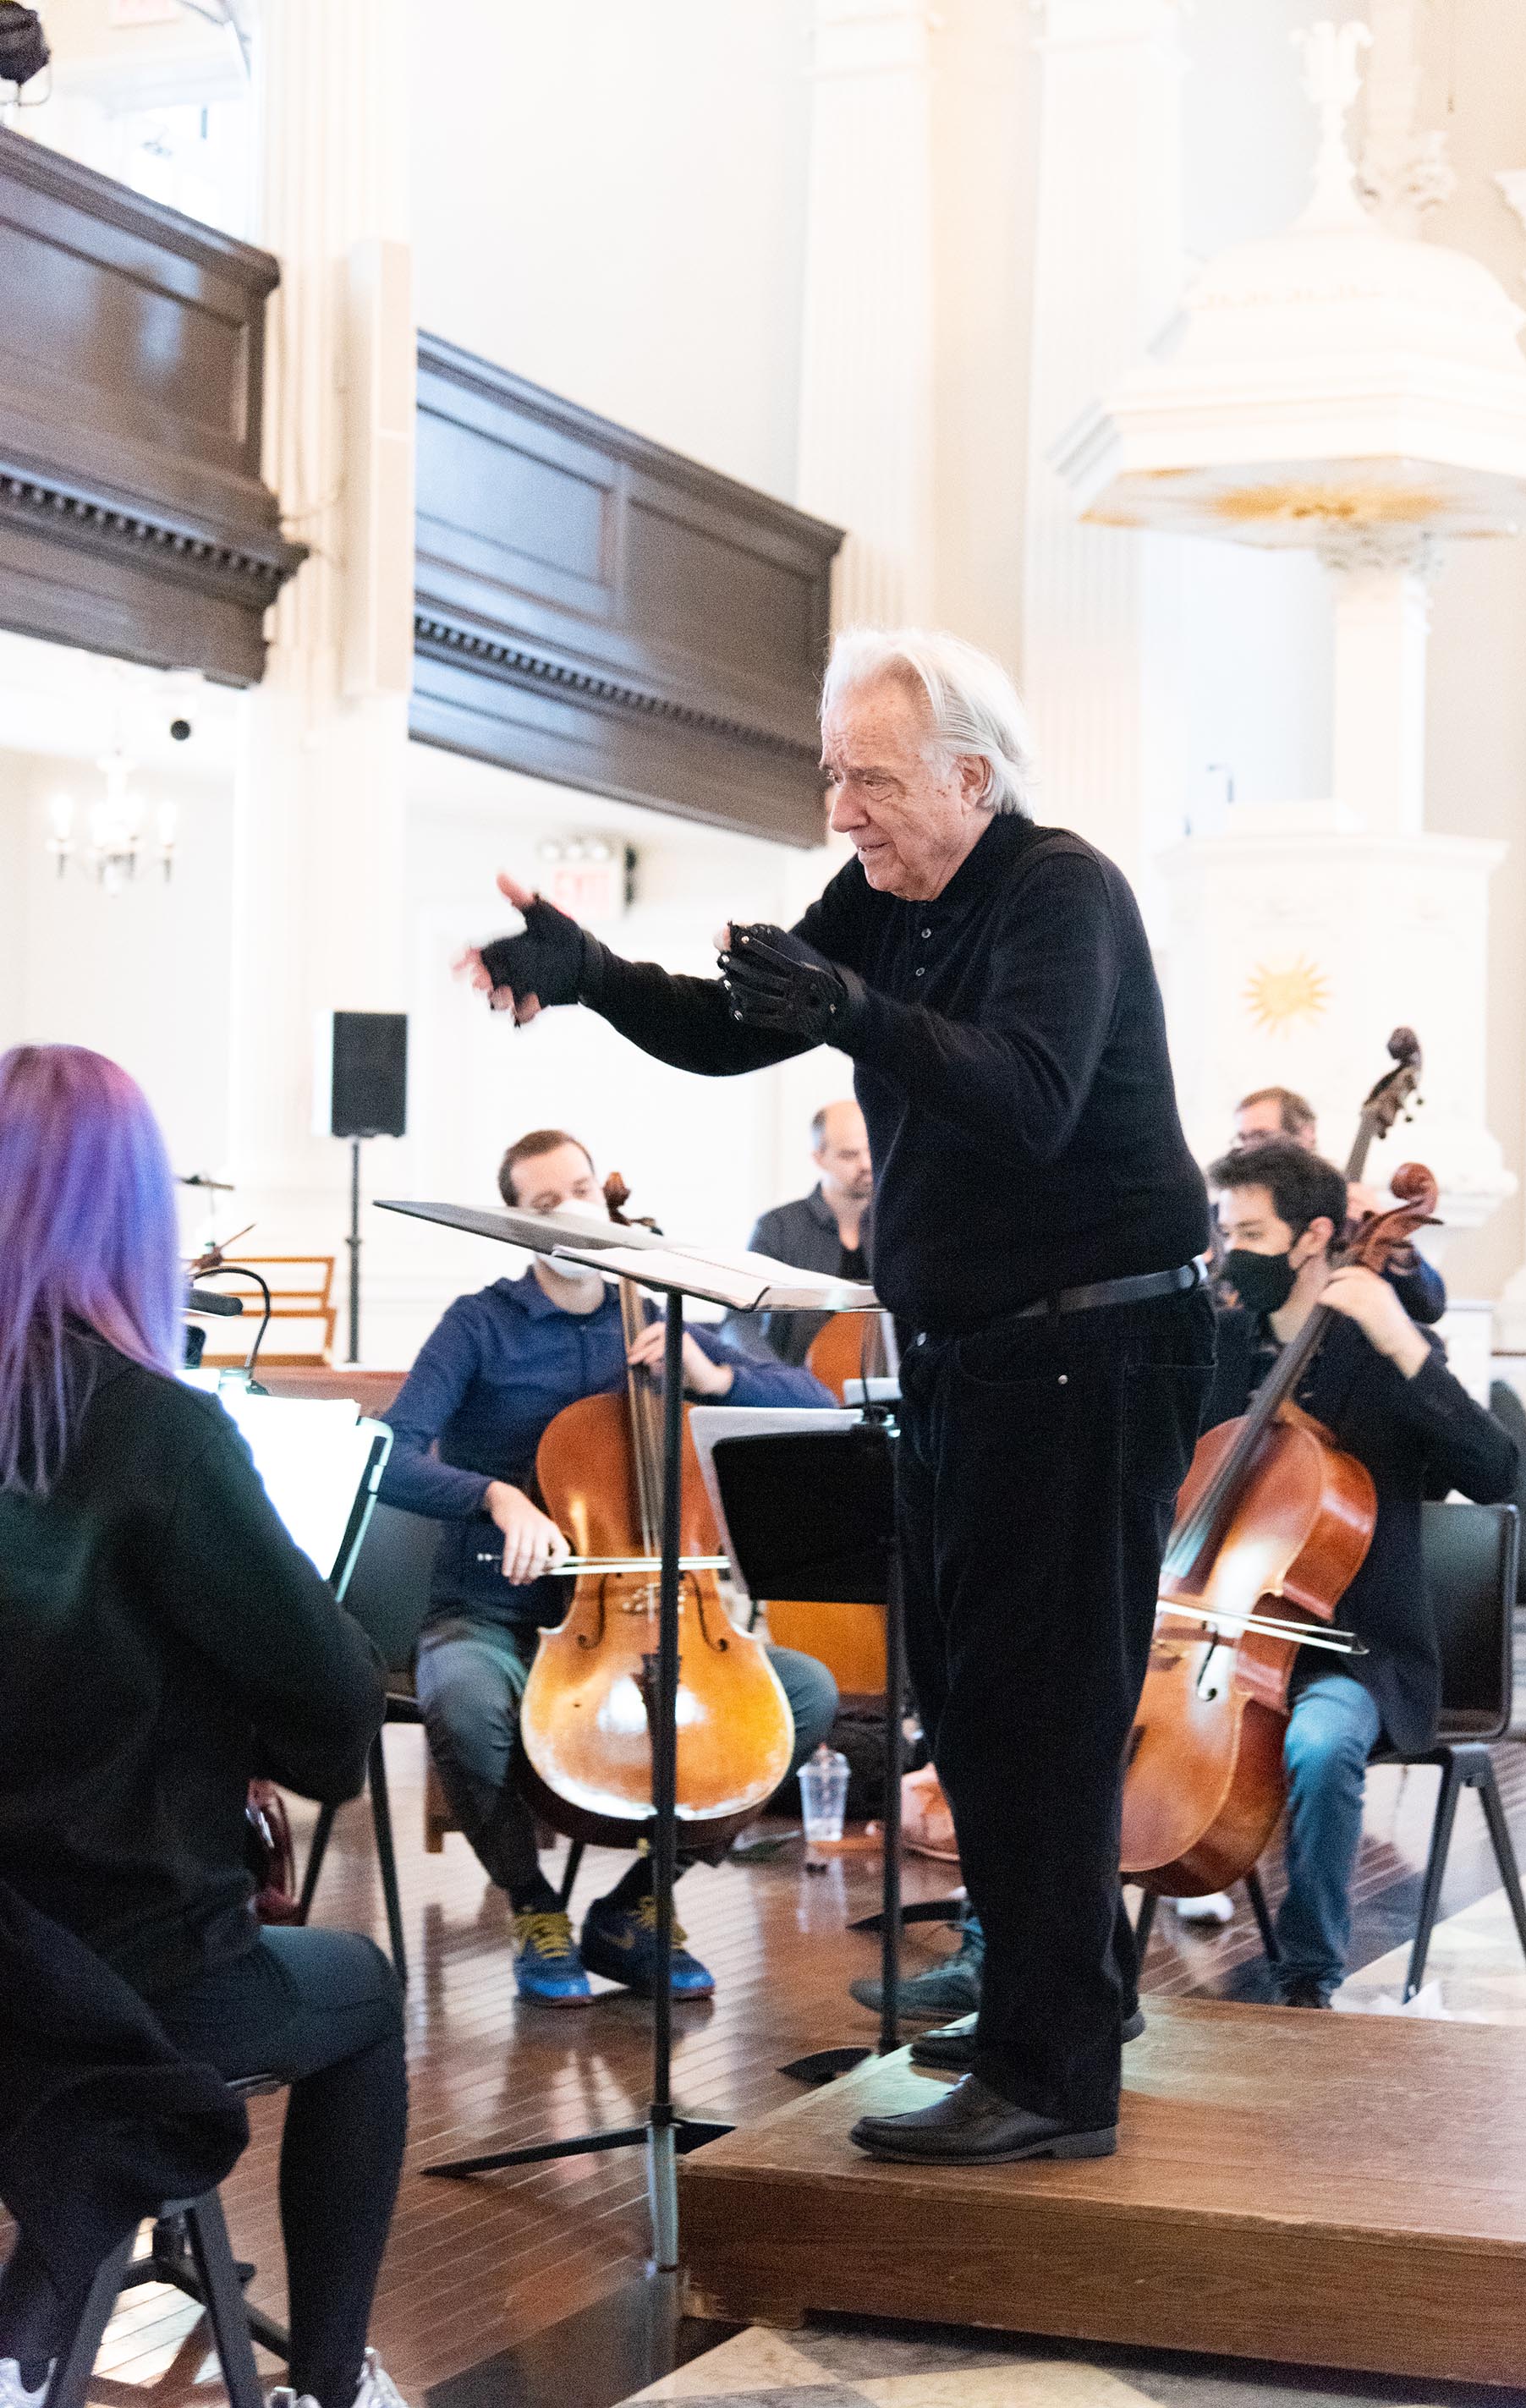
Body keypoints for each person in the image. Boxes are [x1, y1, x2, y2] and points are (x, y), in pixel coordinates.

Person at [458, 625, 1216, 2168]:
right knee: (970, 1689)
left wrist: (848, 1009)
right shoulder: (882, 895)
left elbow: (1027, 1090)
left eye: (867, 778)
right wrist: (591, 976)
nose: (842, 811)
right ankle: (1070, 2002)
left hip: (1091, 1349)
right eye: (830, 778)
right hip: (972, 1353)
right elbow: (745, 1025)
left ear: (969, 777)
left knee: (1039, 1705)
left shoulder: (1060, 888)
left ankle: (1052, 2075)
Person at [0, 1046, 408, 2408]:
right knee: (364, 1991)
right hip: (115, 1963)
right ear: (133, 1220)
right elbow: (331, 1710)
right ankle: (330, 2386)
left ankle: (38, 2311)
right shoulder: (162, 1433)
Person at [379, 1126, 840, 2008]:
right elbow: (391, 1453)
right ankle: (532, 1906)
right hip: (497, 1606)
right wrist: (496, 1497)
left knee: (804, 1695)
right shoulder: (481, 1324)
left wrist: (713, 1379)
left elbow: (814, 1405)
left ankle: (637, 1906)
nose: (575, 1212)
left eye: (583, 1190)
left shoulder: (664, 1316)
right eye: (547, 1202)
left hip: (662, 1620)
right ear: (513, 1222)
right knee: (467, 1701)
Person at [1206, 1139, 1518, 2004]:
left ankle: (1308, 1972)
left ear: (1313, 1237)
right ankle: (1066, 1963)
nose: (1234, 1252)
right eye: (1225, 1231)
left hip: (1352, 1649)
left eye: (1252, 1232)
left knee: (1317, 1741)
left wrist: (1401, 1342)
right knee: (1084, 1709)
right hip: (1219, 1637)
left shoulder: (1381, 1354)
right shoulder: (1221, 1348)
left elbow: (1496, 1472)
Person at [1231, 1082, 1445, 1327]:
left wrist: (1392, 1241)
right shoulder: (1230, 1215)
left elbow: (1430, 1306)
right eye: (1243, 1139)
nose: (1249, 1150)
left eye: (1261, 1136)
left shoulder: (1349, 1213)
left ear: (1306, 1133)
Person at [725, 1098, 875, 1365]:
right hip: (802, 1391)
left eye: (871, 1149)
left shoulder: (898, 1226)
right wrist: (779, 1380)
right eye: (849, 1154)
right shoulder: (778, 1227)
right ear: (819, 1158)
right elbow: (739, 1323)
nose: (866, 1164)